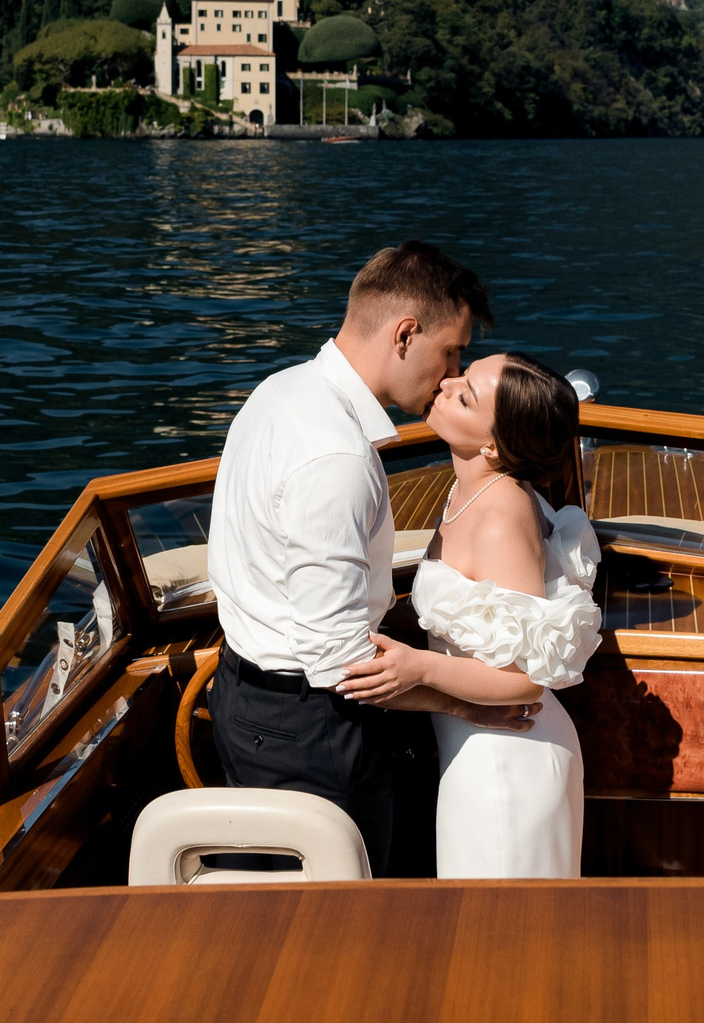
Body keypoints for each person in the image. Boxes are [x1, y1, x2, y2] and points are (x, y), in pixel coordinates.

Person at [204, 241, 530, 877]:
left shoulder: (281, 391)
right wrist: (469, 703)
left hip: (245, 698)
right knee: (338, 925)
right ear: (405, 334)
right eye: (450, 351)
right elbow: (339, 662)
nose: (451, 373)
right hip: (309, 733)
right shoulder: (338, 460)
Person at [336, 351, 602, 878]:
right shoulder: (466, 486)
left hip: (507, 765)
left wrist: (418, 668)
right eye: (461, 373)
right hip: (475, 746)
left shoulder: (502, 518)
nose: (445, 383)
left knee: (502, 938)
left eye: (465, 394)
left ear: (493, 445)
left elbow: (527, 680)